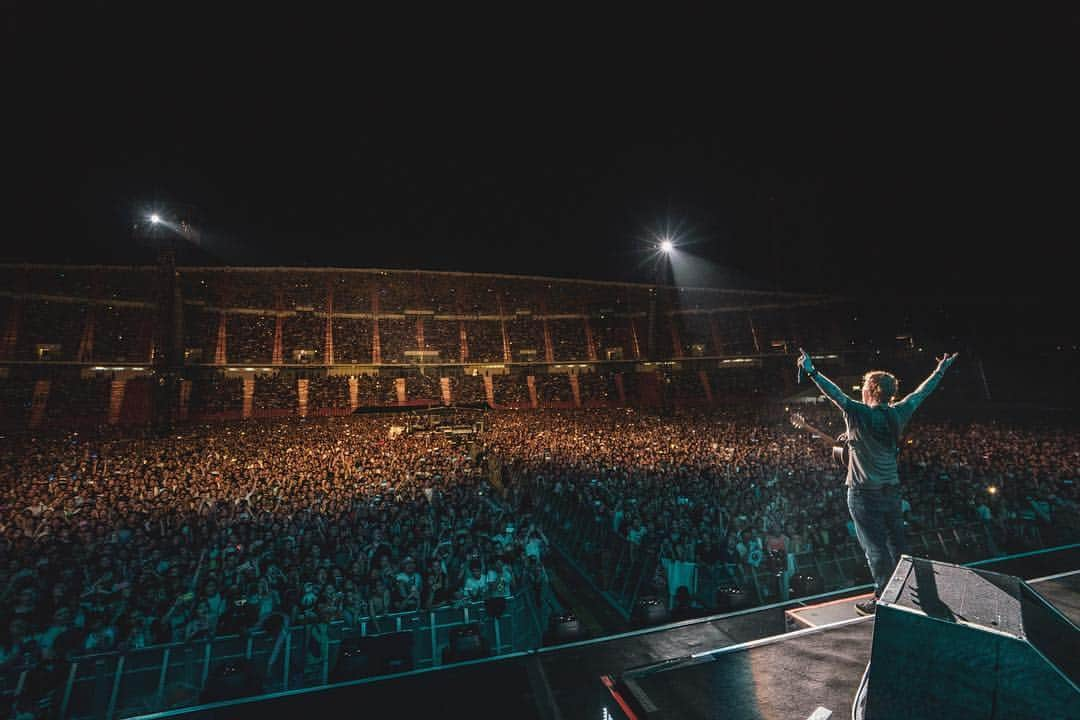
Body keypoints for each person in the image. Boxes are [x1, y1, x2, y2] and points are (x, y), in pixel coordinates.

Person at [797, 348, 958, 615]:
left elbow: (834, 393)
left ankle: (883, 598)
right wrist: (940, 370)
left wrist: (812, 370)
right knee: (898, 543)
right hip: (891, 491)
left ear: (870, 389)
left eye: (863, 386)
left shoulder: (857, 413)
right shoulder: (899, 412)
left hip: (864, 493)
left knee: (875, 548)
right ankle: (906, 589)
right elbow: (922, 392)